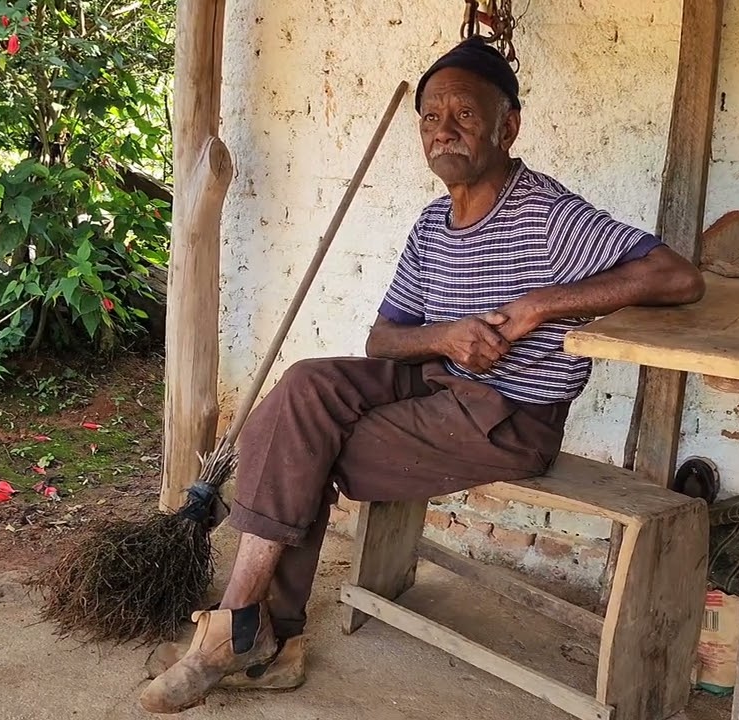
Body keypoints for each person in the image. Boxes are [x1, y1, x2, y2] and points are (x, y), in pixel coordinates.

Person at [139, 36, 705, 714]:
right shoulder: (432, 225)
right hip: (435, 384)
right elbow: (384, 341)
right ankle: (253, 632)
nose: (444, 130)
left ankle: (246, 633)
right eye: (431, 117)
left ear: (508, 125)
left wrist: (534, 308)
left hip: (508, 418)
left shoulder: (549, 214)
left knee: (296, 448)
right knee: (304, 390)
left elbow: (677, 276)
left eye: (464, 115)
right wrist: (447, 336)